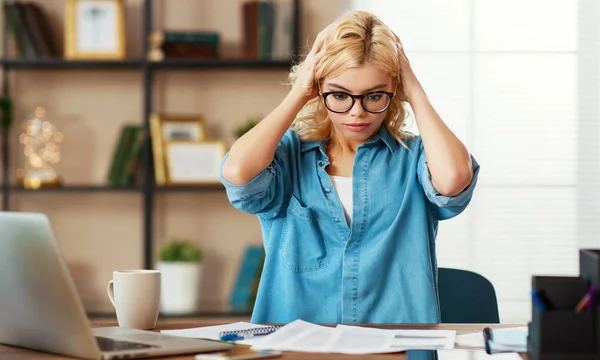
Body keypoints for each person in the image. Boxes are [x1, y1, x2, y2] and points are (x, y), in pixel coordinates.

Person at [219, 10, 480, 324]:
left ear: (393, 91)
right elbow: (237, 173)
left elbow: (453, 179)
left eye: (374, 95)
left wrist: (414, 90)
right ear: (319, 89)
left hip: (395, 351)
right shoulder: (288, 155)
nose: (357, 112)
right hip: (297, 349)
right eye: (340, 95)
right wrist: (299, 92)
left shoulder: (415, 158)